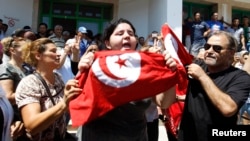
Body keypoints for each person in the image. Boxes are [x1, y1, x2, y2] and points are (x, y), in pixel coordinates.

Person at [76, 18, 177, 141]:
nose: (127, 36)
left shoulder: (145, 68)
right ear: (107, 43)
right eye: (120, 33)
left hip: (136, 136)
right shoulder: (95, 65)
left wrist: (170, 74)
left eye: (131, 34)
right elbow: (76, 100)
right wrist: (82, 71)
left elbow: (164, 103)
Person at [177, 31, 250, 141]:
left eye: (217, 48)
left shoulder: (240, 77)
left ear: (231, 53)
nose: (209, 51)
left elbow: (228, 109)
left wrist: (202, 77)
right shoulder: (197, 66)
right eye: (207, 47)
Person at [15, 38, 82, 140]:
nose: (58, 54)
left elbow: (67, 110)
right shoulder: (29, 83)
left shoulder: (58, 77)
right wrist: (63, 103)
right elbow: (31, 126)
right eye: (53, 51)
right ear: (38, 55)